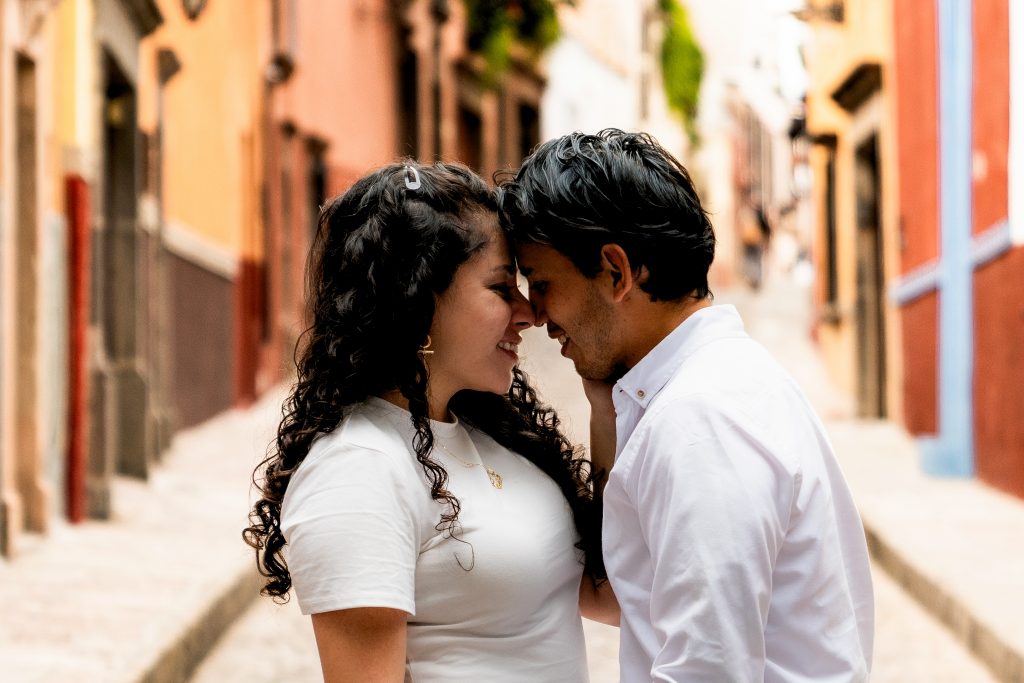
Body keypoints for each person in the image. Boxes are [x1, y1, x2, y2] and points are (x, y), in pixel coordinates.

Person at [497, 129, 874, 682]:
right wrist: (606, 411)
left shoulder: (701, 422)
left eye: (543, 282)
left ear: (615, 272)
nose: (534, 313)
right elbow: (627, 593)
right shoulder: (709, 387)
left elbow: (707, 668)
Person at [244, 161, 611, 682]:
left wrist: (605, 402)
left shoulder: (487, 434)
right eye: (501, 287)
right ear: (418, 298)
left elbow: (610, 594)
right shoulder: (359, 470)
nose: (528, 312)